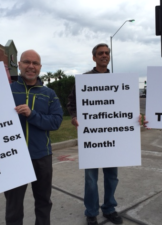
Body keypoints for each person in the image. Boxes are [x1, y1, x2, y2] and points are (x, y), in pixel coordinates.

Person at [4, 49, 63, 225]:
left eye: (35, 63)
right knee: (13, 206)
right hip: (14, 157)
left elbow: (56, 121)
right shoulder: (6, 91)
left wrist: (32, 114)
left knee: (44, 202)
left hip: (42, 157)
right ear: (19, 65)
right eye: (27, 62)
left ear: (40, 67)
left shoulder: (49, 94)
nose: (31, 66)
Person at [67, 43, 123, 225]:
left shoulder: (117, 82)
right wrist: (74, 117)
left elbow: (123, 108)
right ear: (94, 57)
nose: (104, 55)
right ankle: (91, 212)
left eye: (107, 53)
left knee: (112, 177)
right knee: (91, 179)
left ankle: (109, 208)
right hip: (91, 137)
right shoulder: (84, 80)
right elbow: (71, 103)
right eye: (100, 53)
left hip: (111, 138)